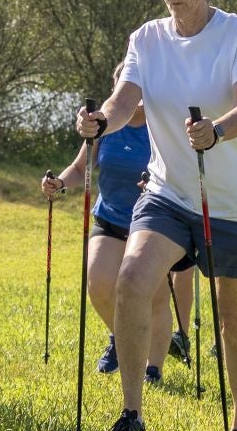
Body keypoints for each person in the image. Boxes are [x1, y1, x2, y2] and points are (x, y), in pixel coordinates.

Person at [76, 0, 237, 431]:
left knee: (234, 321)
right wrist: (102, 122)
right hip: (169, 192)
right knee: (132, 280)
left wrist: (217, 130)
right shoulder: (146, 38)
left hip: (236, 202)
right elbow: (124, 101)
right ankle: (131, 417)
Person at [39, 72, 193, 385]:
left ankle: (153, 368)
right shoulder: (104, 127)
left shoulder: (160, 127)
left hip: (153, 222)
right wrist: (59, 183)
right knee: (98, 285)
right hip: (110, 217)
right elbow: (80, 168)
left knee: (156, 299)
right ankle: (122, 339)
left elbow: (180, 172)